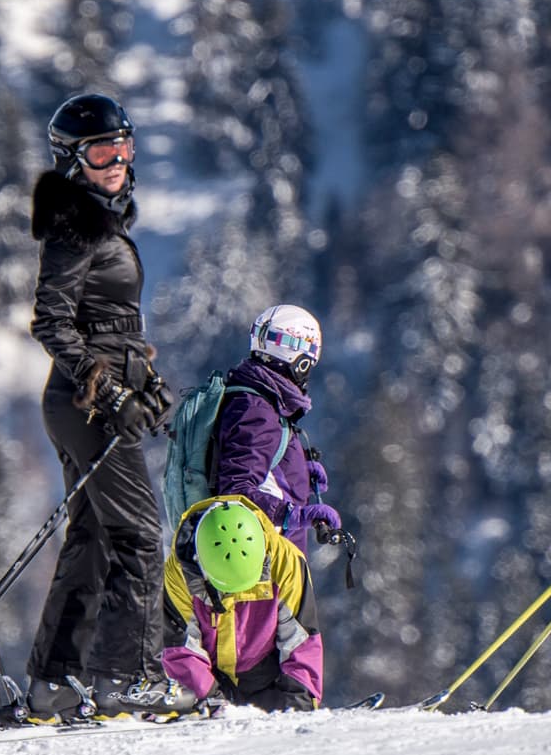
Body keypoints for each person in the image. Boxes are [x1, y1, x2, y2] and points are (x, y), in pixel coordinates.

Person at [24, 92, 186, 723]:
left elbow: (109, 325)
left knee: (92, 539)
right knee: (140, 534)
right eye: (101, 149)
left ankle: (54, 684)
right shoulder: (76, 226)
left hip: (89, 399)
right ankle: (127, 678)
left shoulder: (106, 220)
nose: (116, 158)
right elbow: (53, 322)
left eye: (124, 145)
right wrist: (108, 386)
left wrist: (143, 378)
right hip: (83, 404)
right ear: (72, 159)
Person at [163, 496, 323, 712]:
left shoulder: (286, 562)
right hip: (209, 678)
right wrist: (212, 703)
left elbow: (300, 641)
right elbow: (181, 650)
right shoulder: (178, 574)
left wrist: (299, 703)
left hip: (267, 678)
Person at [214, 305, 342, 552]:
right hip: (260, 571)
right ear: (299, 361)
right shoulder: (258, 409)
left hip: (270, 563)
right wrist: (296, 516)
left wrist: (299, 473)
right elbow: (236, 492)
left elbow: (260, 466)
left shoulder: (261, 401)